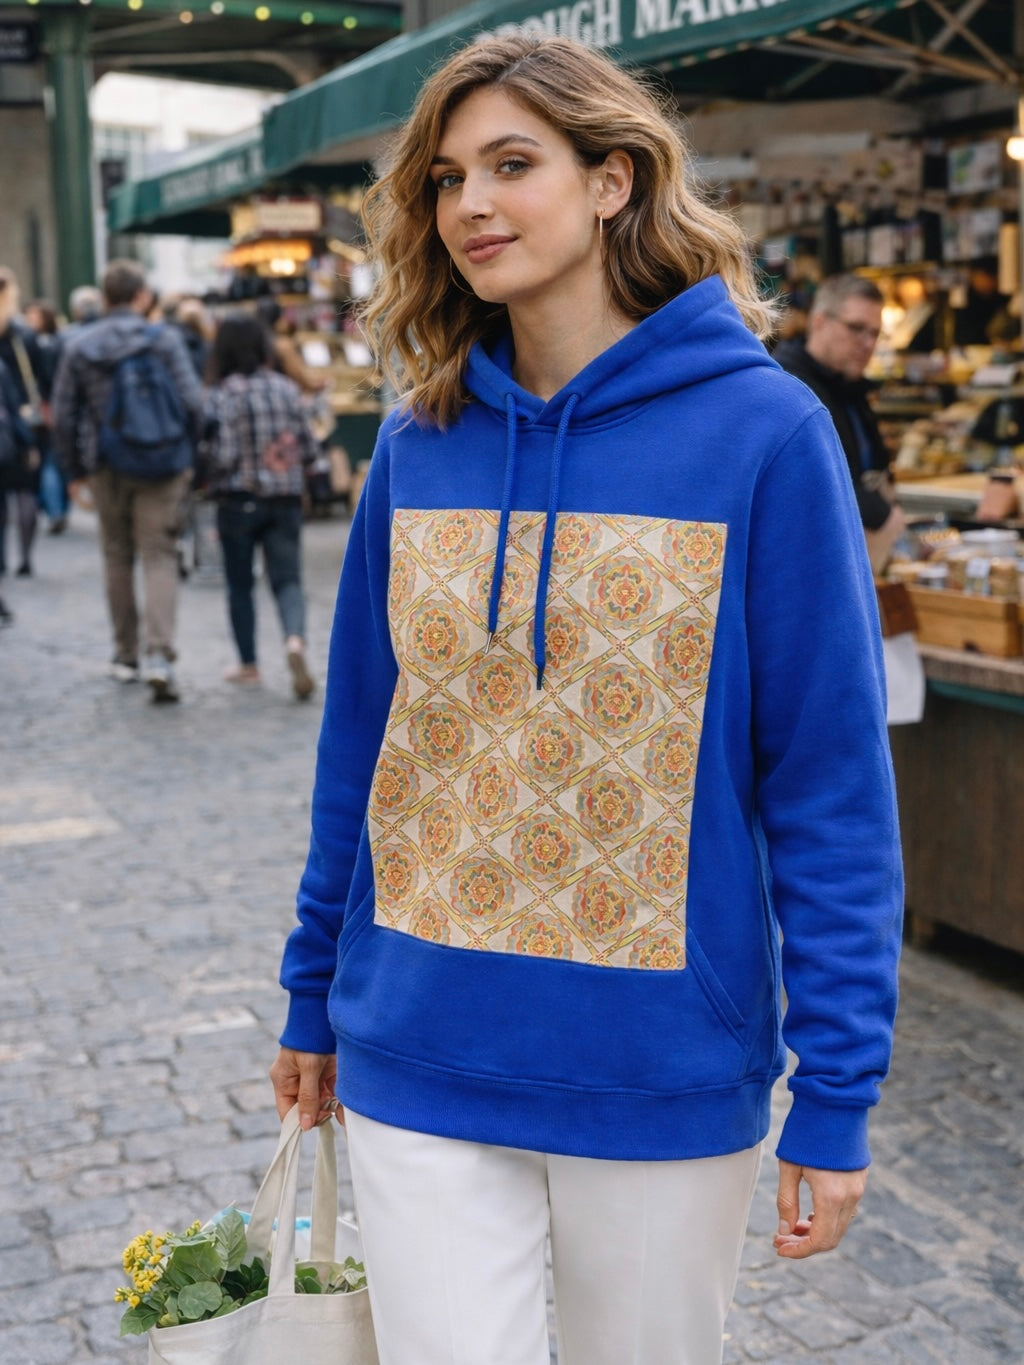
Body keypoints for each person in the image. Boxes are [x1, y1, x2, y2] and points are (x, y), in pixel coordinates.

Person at [270, 35, 903, 1365]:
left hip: (663, 1067)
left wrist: (837, 1093)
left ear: (614, 180)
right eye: (447, 179)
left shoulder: (766, 436)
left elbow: (829, 791)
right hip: (417, 1045)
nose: (472, 208)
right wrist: (310, 997)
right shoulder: (416, 442)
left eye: (513, 165)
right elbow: (363, 750)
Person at [51, 259, 201, 702]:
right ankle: (160, 655)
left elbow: (63, 416)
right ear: (140, 296)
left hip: (106, 465)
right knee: (159, 555)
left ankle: (124, 654)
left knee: (117, 556)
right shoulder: (165, 341)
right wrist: (187, 457)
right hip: (161, 463)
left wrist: (74, 470)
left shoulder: (80, 346)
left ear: (104, 296)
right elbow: (194, 403)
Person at [200, 312, 318, 698]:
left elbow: (226, 453)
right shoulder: (286, 388)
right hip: (285, 498)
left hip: (239, 499)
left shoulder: (224, 393)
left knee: (239, 583)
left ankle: (249, 664)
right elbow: (310, 449)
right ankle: (295, 641)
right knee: (288, 579)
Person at [773, 274, 907, 574]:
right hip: (810, 565)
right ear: (820, 321)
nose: (868, 343)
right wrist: (881, 512)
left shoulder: (850, 385)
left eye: (875, 333)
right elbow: (811, 478)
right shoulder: (790, 386)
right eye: (857, 328)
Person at [0, 267, 50, 578]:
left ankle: (3, 560)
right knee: (25, 493)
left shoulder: (21, 335)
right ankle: (25, 558)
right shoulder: (23, 336)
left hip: (12, 422)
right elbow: (42, 382)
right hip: (23, 425)